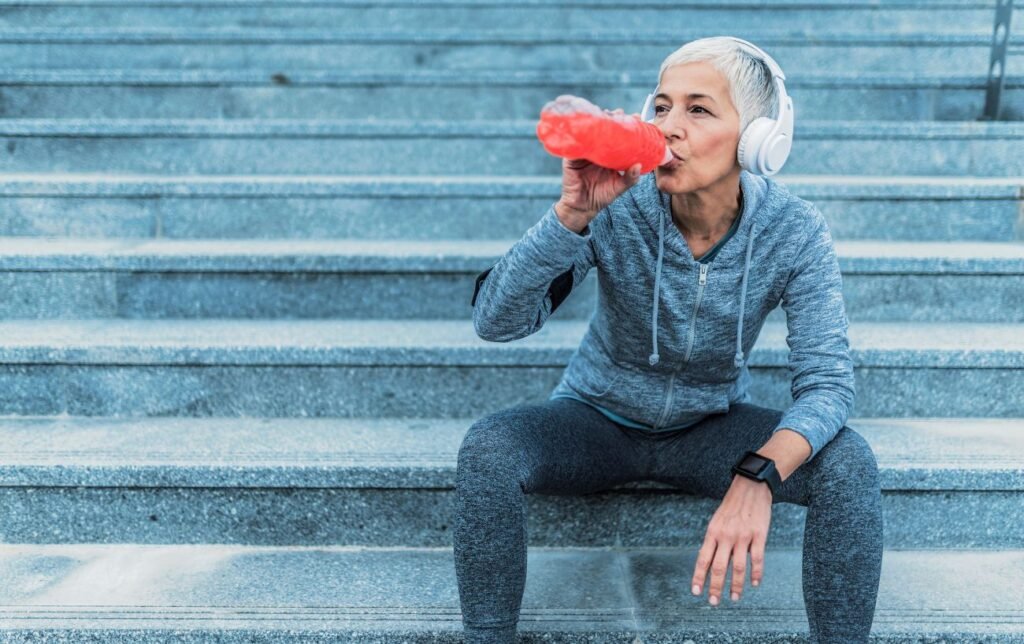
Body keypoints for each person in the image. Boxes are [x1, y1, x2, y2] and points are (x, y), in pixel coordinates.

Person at [456, 36, 883, 644]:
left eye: (699, 109)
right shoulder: (619, 206)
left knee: (848, 462)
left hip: (708, 428)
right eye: (661, 107)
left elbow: (828, 385)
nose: (669, 128)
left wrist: (757, 474)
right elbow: (496, 322)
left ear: (760, 138)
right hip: (595, 419)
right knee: (489, 448)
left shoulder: (795, 229)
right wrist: (572, 216)